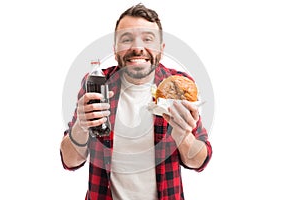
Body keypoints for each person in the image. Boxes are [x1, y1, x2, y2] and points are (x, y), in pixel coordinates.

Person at [60, 3, 212, 200]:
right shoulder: (97, 84)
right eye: (127, 39)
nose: (138, 48)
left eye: (148, 39)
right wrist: (81, 125)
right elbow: (70, 160)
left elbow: (199, 161)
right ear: (115, 51)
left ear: (161, 49)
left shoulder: (179, 87)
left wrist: (183, 135)